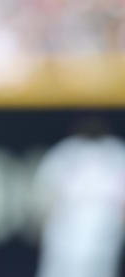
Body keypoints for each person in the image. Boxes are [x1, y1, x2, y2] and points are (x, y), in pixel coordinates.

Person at [33, 118, 125, 277]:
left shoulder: (116, 152)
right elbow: (46, 195)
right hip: (69, 231)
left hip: (100, 230)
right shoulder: (66, 151)